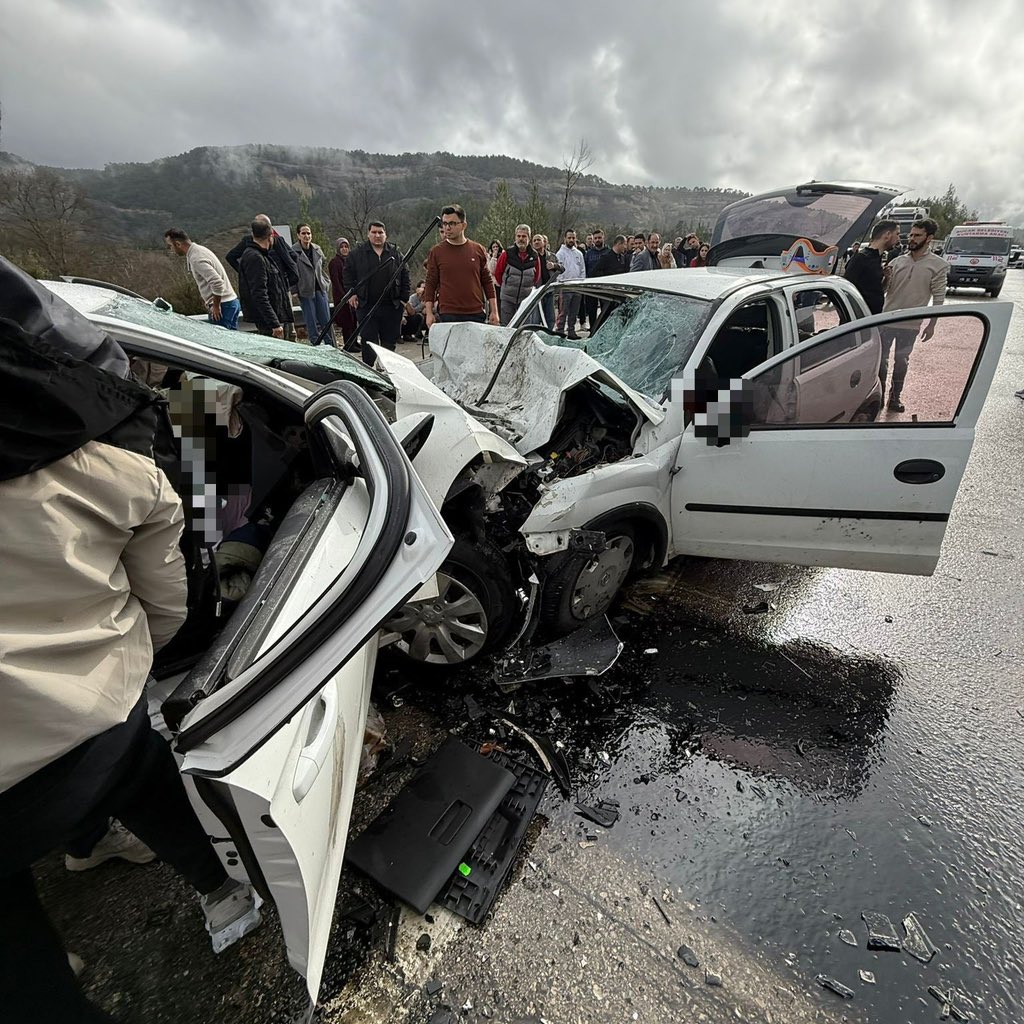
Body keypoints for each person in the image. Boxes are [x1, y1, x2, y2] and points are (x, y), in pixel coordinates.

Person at [0, 257, 261, 1023]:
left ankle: (86, 849)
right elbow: (170, 600)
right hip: (95, 722)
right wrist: (126, 659)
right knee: (147, 789)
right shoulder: (109, 465)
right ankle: (223, 899)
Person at [879, 218, 949, 412]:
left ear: (929, 238)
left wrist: (932, 324)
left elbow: (938, 297)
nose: (912, 238)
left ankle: (895, 398)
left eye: (917, 235)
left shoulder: (938, 265)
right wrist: (885, 279)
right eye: (911, 234)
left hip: (910, 325)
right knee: (881, 362)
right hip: (886, 320)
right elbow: (884, 290)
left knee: (901, 362)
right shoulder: (897, 261)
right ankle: (879, 396)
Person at [343, 221, 410, 366]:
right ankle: (369, 370)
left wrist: (404, 299)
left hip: (391, 305)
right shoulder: (357, 254)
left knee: (389, 342)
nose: (377, 235)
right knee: (369, 341)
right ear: (368, 234)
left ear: (385, 234)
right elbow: (347, 274)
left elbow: (405, 275)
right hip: (367, 305)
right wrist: (351, 294)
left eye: (380, 232)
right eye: (374, 232)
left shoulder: (395, 253)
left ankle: (386, 370)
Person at [423, 204, 498, 327]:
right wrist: (429, 313)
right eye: (445, 223)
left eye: (452, 223)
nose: (447, 227)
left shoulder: (478, 249)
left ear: (463, 225)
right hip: (448, 314)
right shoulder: (436, 252)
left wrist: (494, 311)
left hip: (476, 313)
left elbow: (487, 282)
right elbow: (430, 283)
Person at [226, 215, 298, 336]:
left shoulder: (259, 254)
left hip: (275, 308)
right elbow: (260, 294)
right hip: (267, 319)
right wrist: (274, 323)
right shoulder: (256, 258)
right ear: (270, 237)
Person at [163, 228, 240, 330]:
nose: (170, 250)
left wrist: (216, 306)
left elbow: (217, 283)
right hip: (230, 302)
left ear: (178, 244)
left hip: (223, 306)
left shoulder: (196, 258)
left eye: (170, 246)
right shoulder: (199, 250)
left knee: (219, 343)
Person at [843, 220, 900, 315]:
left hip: (871, 320)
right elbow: (846, 290)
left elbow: (876, 291)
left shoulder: (877, 258)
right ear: (888, 234)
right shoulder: (861, 258)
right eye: (897, 234)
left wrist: (886, 279)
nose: (898, 238)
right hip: (858, 322)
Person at [291, 224, 334, 346]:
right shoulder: (294, 251)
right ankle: (315, 344)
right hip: (305, 290)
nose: (306, 236)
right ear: (298, 235)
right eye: (303, 233)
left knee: (325, 319)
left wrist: (326, 281)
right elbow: (290, 271)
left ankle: (330, 344)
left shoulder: (317, 249)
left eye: (308, 233)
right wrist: (294, 289)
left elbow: (323, 264)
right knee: (311, 320)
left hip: (320, 288)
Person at [495, 223, 540, 325]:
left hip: (525, 300)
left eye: (524, 236)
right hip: (507, 298)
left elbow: (537, 277)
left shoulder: (535, 256)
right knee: (506, 328)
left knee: (524, 328)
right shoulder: (506, 254)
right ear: (515, 237)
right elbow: (498, 273)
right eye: (518, 236)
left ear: (529, 238)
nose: (521, 239)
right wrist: (506, 287)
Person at [327, 237, 360, 352]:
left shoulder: (350, 261)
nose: (344, 249)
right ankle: (349, 344)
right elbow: (336, 281)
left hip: (352, 295)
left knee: (354, 320)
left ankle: (355, 342)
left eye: (346, 247)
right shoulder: (334, 262)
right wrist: (345, 297)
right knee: (347, 322)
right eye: (342, 247)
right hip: (342, 297)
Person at [554, 229, 586, 339]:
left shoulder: (579, 254)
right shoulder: (560, 254)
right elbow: (558, 271)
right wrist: (561, 283)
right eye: (569, 238)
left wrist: (581, 283)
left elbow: (582, 270)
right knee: (563, 311)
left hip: (577, 287)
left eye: (573, 238)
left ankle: (571, 331)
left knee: (574, 311)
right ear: (565, 239)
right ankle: (560, 331)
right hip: (565, 286)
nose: (571, 240)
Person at [532, 232, 562, 329]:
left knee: (550, 318)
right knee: (535, 319)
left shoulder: (551, 256)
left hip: (549, 291)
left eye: (538, 240)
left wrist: (554, 266)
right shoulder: (531, 257)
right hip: (536, 292)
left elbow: (562, 268)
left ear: (544, 242)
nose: (536, 242)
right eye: (534, 240)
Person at [582, 227, 607, 331]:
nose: (597, 240)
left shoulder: (608, 252)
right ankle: (593, 330)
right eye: (595, 238)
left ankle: (604, 330)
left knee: (605, 310)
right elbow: (585, 269)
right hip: (592, 286)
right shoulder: (588, 254)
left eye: (599, 238)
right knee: (592, 310)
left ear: (603, 238)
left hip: (605, 286)